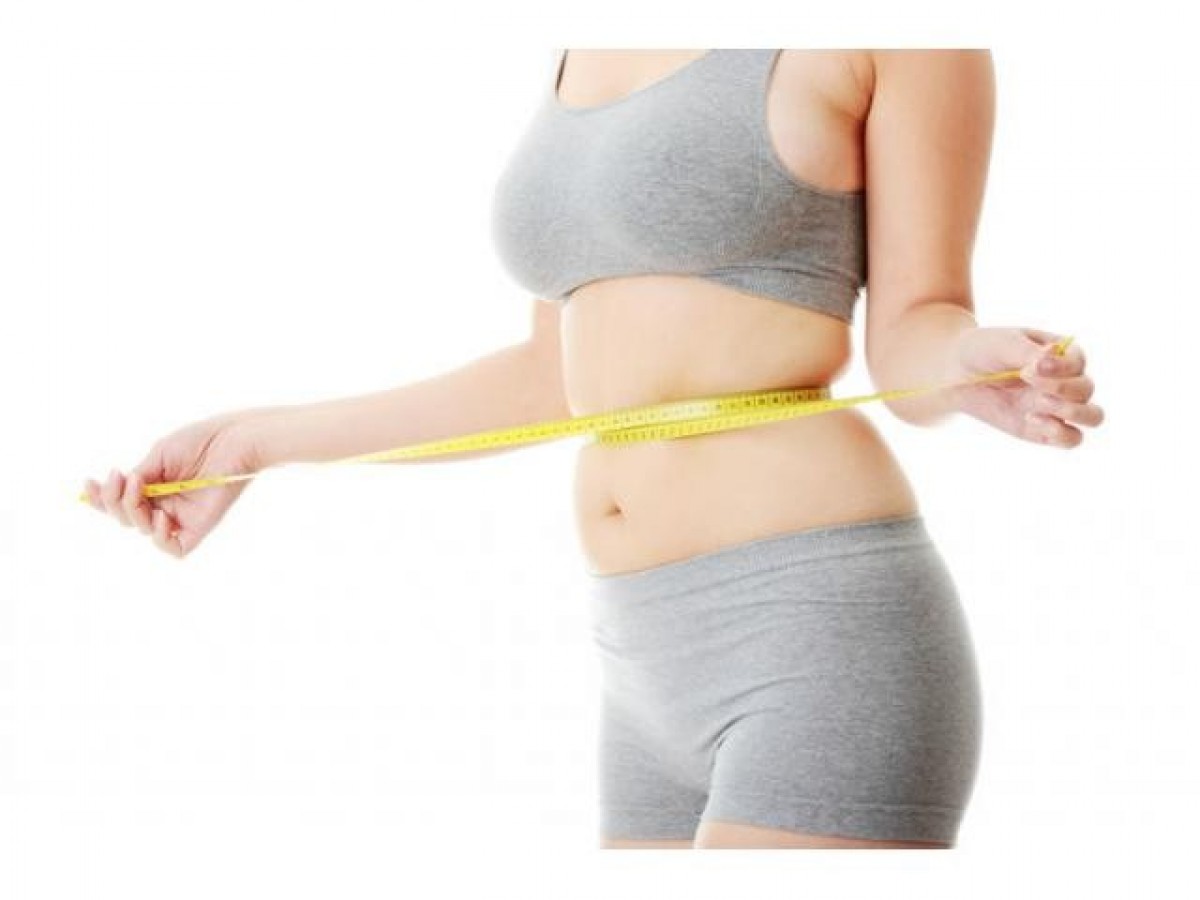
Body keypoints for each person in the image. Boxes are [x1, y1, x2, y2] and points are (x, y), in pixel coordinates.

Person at [82, 49, 1104, 849]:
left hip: (816, 628)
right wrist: (253, 443)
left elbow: (918, 325)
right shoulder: (585, 40)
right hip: (640, 657)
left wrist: (965, 363)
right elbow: (551, 378)